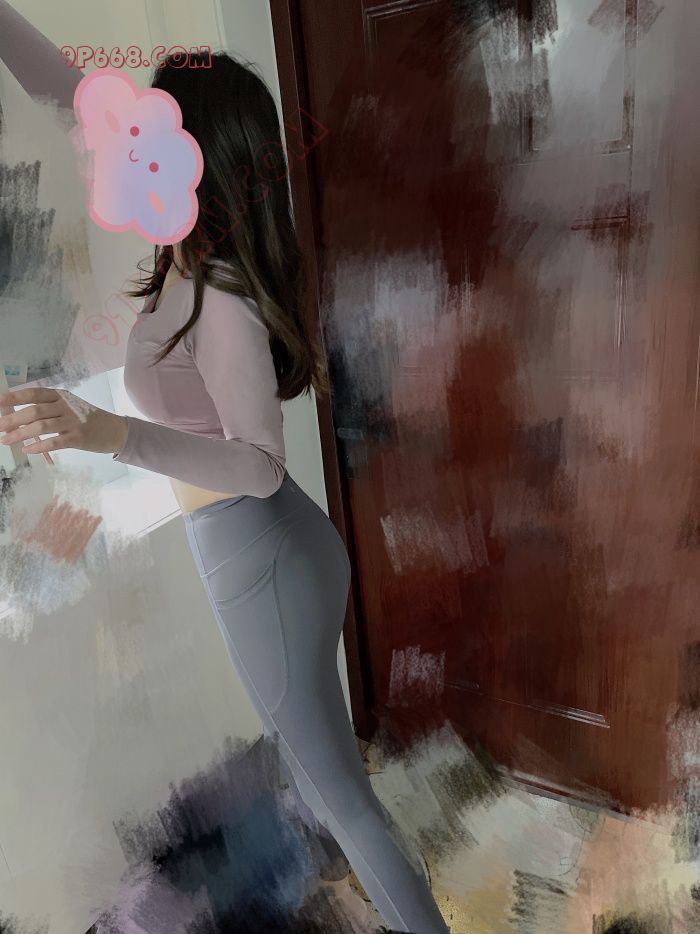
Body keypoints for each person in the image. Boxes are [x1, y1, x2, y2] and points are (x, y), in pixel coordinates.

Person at [0, 6, 450, 932]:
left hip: (264, 560)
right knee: (327, 785)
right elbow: (76, 100)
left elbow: (256, 465)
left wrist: (106, 432)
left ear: (195, 157)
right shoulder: (182, 254)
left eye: (152, 129)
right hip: (264, 555)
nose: (126, 145)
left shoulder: (226, 298)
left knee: (341, 801)